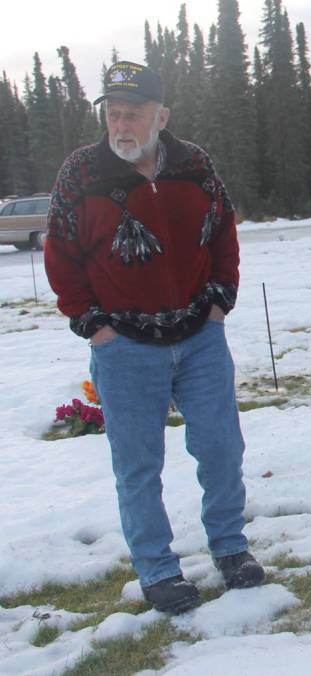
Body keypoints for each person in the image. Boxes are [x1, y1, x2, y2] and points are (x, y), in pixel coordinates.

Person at [44, 61, 264, 614]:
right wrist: (94, 326)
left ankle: (231, 547)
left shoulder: (194, 164)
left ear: (161, 117)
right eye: (113, 114)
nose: (121, 125)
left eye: (134, 114)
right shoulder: (81, 173)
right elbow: (61, 256)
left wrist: (220, 301)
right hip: (124, 346)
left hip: (199, 337)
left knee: (221, 447)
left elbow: (224, 232)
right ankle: (158, 570)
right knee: (138, 465)